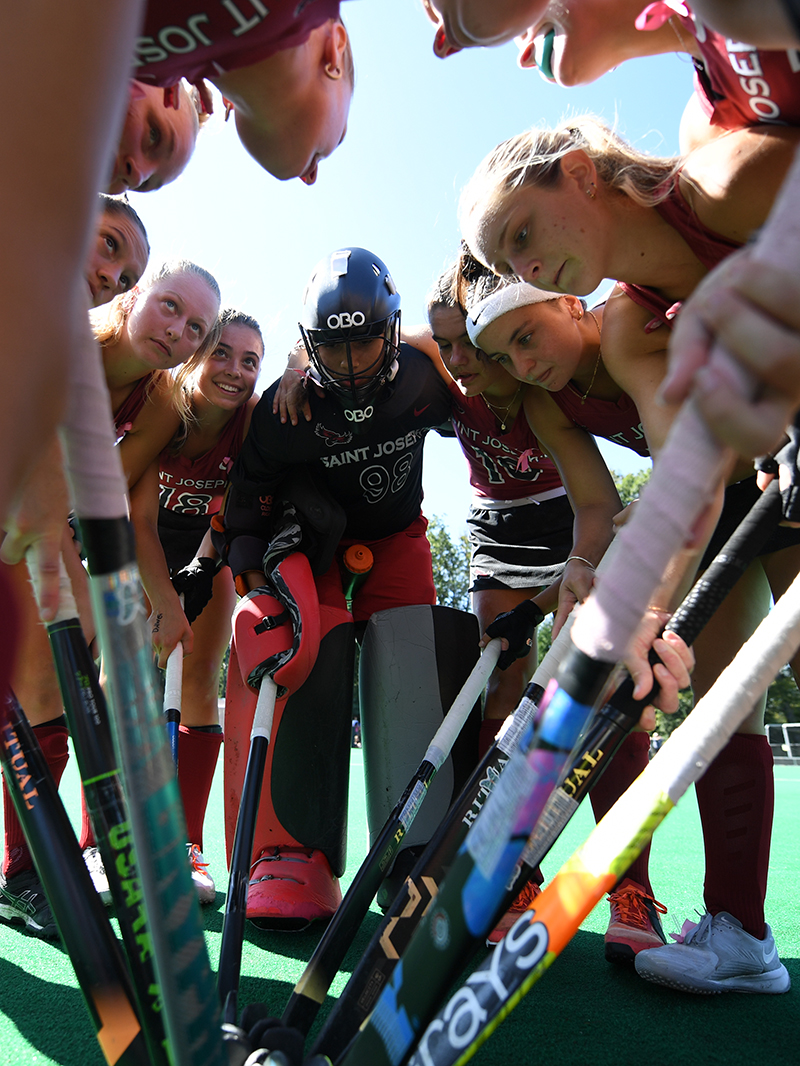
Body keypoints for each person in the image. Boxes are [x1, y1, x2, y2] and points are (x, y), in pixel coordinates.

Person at [463, 174, 795, 994]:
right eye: (506, 356)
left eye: (530, 337)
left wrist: (645, 605)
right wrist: (585, 566)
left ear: (568, 301)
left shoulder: (625, 330)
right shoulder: (550, 405)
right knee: (730, 708)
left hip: (760, 475)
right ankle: (743, 935)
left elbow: (687, 479)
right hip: (727, 501)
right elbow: (597, 505)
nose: (525, 365)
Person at [214, 247, 481, 928]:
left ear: (390, 331)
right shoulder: (284, 411)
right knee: (308, 659)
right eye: (332, 348)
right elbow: (246, 504)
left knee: (413, 662)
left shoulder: (425, 375)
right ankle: (291, 854)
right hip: (315, 550)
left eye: (365, 341)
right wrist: (253, 587)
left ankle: (423, 854)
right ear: (309, 347)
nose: (353, 362)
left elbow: (482, 391)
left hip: (398, 540)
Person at [0, 258, 221, 937]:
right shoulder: (62, 348)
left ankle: (21, 872)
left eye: (195, 327)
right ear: (134, 296)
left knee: (52, 672)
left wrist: (161, 603)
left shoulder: (156, 404)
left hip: (36, 523)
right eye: (170, 306)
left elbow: (103, 500)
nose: (178, 329)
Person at [130, 308, 263, 902]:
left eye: (250, 360)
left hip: (207, 549)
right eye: (222, 354)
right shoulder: (165, 402)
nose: (235, 372)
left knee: (199, 680)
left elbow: (228, 511)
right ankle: (102, 845)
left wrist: (202, 569)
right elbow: (135, 519)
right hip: (140, 543)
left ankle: (185, 845)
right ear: (195, 355)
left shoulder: (254, 421)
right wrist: (162, 597)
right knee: (126, 683)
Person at [130, 3, 354, 187]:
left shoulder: (145, 72)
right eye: (339, 139)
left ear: (228, 103)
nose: (311, 178)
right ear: (335, 48)